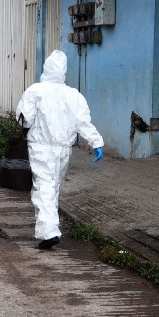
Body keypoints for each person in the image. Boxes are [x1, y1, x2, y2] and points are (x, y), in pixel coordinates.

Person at [16, 49, 104, 250]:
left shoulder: (35, 91)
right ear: (63, 72)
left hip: (41, 146)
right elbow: (84, 123)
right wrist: (96, 142)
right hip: (64, 150)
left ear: (45, 69)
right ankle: (49, 227)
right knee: (53, 187)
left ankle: (50, 232)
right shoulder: (74, 95)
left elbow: (24, 118)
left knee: (43, 188)